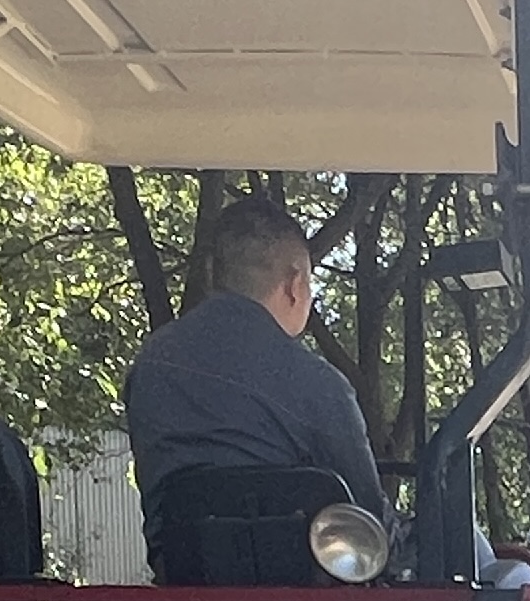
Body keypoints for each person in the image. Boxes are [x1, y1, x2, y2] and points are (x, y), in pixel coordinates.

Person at [124, 199, 390, 578]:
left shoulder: (150, 366)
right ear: (295, 285)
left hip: (184, 586)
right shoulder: (319, 384)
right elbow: (369, 525)